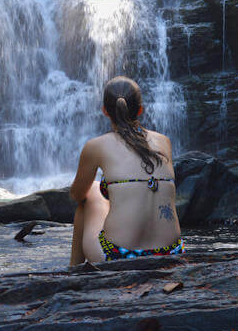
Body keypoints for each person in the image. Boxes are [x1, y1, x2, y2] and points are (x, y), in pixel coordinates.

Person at [69, 75, 185, 265]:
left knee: (90, 193)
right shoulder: (164, 141)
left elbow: (76, 194)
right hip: (171, 253)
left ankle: (73, 271)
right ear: (140, 110)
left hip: (118, 256)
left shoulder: (96, 146)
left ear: (105, 111)